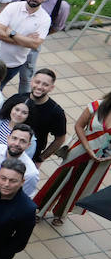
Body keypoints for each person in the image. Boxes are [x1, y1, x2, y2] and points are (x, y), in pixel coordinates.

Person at [36, 94, 111, 225]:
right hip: (80, 149)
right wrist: (88, 148)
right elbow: (79, 126)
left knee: (80, 185)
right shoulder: (97, 105)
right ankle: (40, 208)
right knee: (60, 179)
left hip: (102, 159)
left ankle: (61, 213)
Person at [2, 68, 68, 167]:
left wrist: (41, 158)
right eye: (37, 82)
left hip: (29, 156)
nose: (40, 87)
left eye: (45, 85)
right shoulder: (17, 99)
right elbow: (1, 119)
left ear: (51, 88)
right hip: (2, 145)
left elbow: (60, 139)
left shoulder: (56, 112)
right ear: (32, 81)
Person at [0, 0, 51, 94]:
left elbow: (35, 44)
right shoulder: (13, 7)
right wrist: (25, 40)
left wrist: (13, 33)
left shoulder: (45, 19)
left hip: (14, 63)